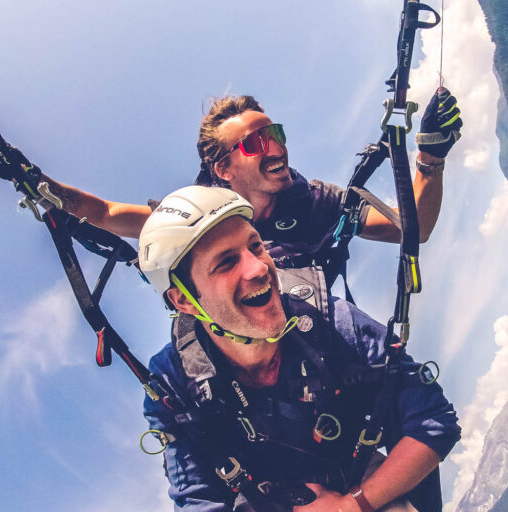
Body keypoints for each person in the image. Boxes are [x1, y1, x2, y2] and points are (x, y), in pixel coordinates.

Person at [137, 185, 460, 512]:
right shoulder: (174, 386)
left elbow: (433, 419)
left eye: (255, 246)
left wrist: (350, 507)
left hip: (356, 484)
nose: (259, 268)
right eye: (226, 262)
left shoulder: (333, 324)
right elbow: (199, 502)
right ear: (183, 300)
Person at [33, 88, 463, 287]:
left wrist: (431, 159)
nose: (275, 146)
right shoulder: (193, 216)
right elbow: (107, 215)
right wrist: (32, 180)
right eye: (257, 142)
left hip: (319, 340)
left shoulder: (317, 201)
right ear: (224, 168)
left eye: (275, 132)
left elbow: (414, 229)